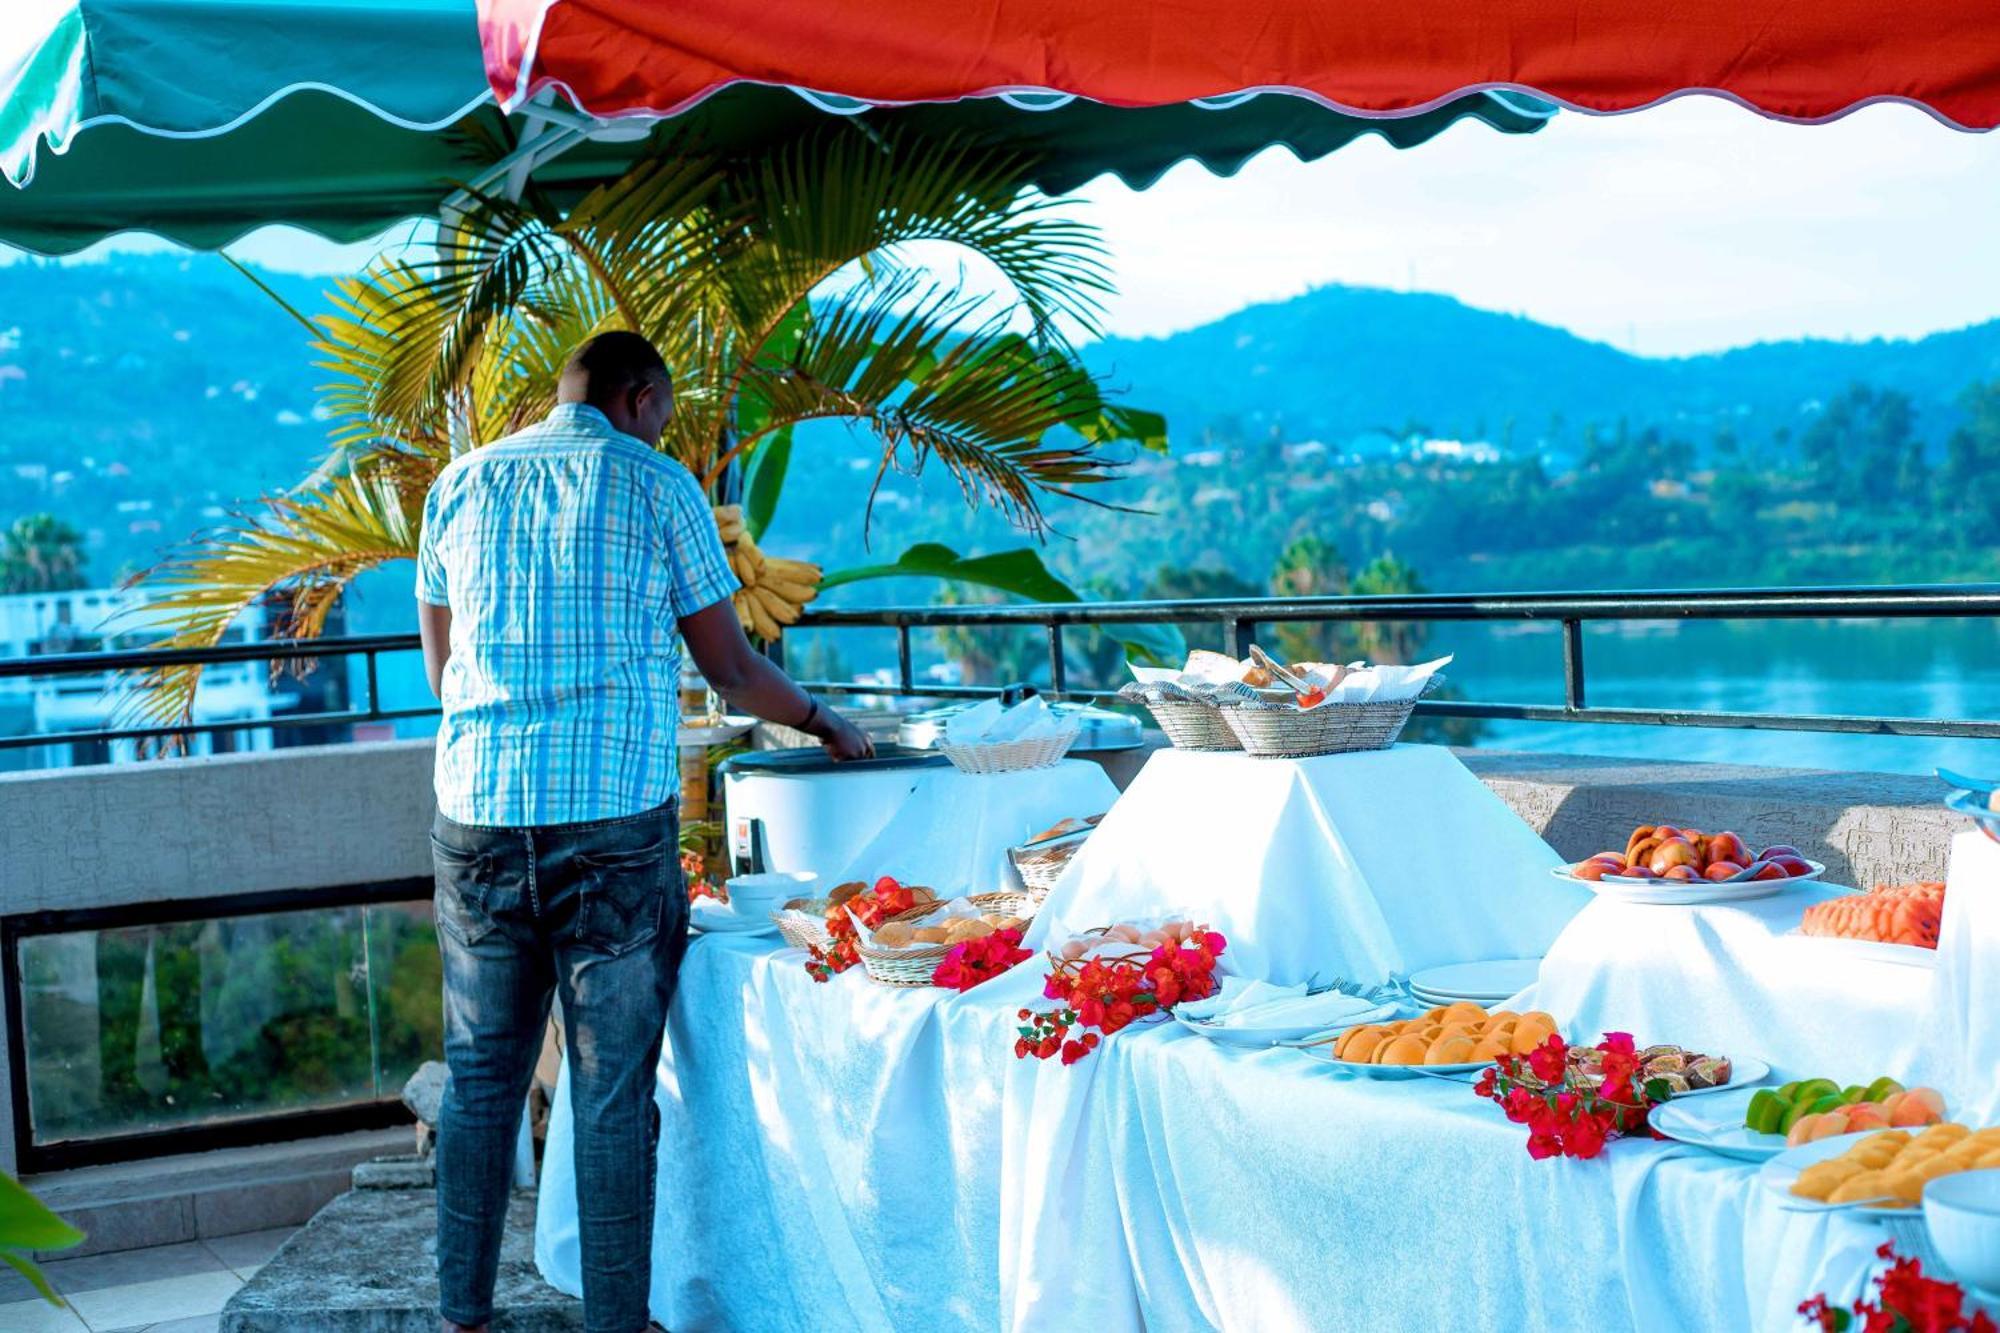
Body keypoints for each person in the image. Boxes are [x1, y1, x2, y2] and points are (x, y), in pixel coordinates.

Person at [415, 331, 872, 1333]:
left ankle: (460, 1314)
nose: (666, 425)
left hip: (478, 812)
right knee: (611, 1090)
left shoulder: (458, 483)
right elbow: (734, 673)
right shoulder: (658, 486)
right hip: (612, 825)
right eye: (663, 410)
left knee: (481, 1072)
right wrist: (826, 720)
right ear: (641, 395)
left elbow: (442, 675)